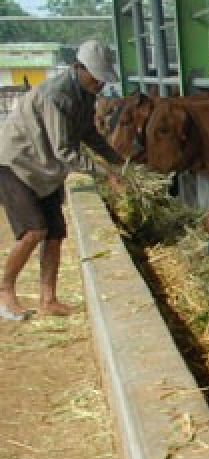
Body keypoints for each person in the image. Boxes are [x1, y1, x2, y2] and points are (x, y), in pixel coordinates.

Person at [0, 40, 124, 321]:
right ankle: (5, 291)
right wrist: (106, 174)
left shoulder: (85, 94)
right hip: (16, 165)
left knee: (54, 233)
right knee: (34, 231)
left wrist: (117, 159)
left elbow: (88, 133)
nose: (101, 85)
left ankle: (49, 299)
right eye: (97, 77)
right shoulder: (56, 96)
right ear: (79, 68)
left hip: (45, 170)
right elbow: (65, 150)